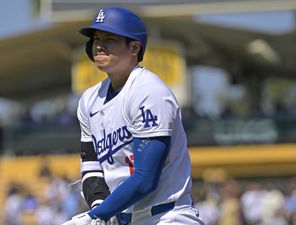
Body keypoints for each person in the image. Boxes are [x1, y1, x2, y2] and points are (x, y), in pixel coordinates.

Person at [62, 7, 204, 225]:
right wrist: (99, 205)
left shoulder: (149, 91)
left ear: (134, 47)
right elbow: (91, 167)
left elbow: (146, 179)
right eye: (97, 38)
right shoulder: (89, 100)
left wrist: (95, 216)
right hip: (122, 218)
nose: (100, 45)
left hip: (167, 216)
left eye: (110, 38)